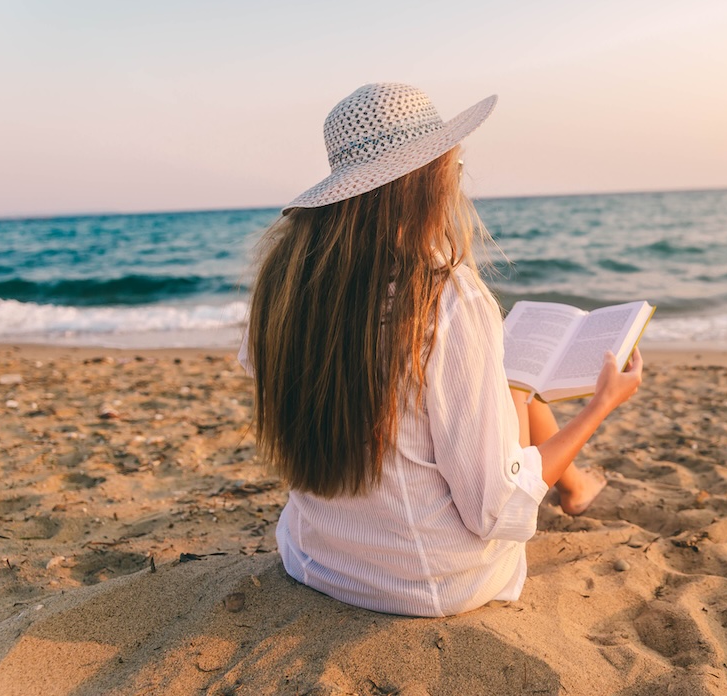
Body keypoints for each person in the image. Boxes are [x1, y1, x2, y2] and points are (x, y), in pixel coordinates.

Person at [240, 82, 642, 617]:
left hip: (316, 557)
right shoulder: (443, 296)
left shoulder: (285, 281)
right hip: (427, 580)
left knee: (501, 385)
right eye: (450, 164)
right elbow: (493, 509)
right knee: (512, 389)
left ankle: (576, 486)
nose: (456, 175)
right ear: (424, 180)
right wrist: (601, 405)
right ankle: (578, 484)